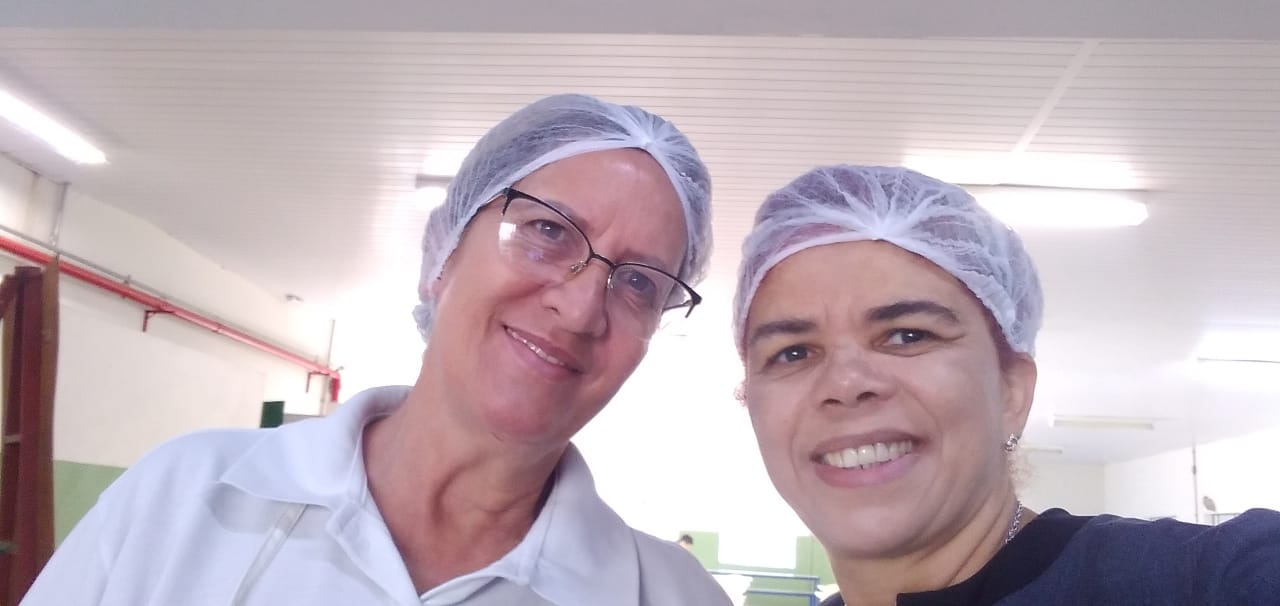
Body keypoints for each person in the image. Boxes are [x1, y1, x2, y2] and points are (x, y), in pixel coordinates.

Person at [23, 94, 732, 605]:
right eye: (548, 231)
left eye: (639, 282)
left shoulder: (668, 595)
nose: (578, 309)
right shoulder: (185, 497)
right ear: (443, 256)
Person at [732, 165, 1280, 605]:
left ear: (1012, 390)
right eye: (793, 352)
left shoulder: (1202, 579)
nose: (847, 382)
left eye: (907, 335)